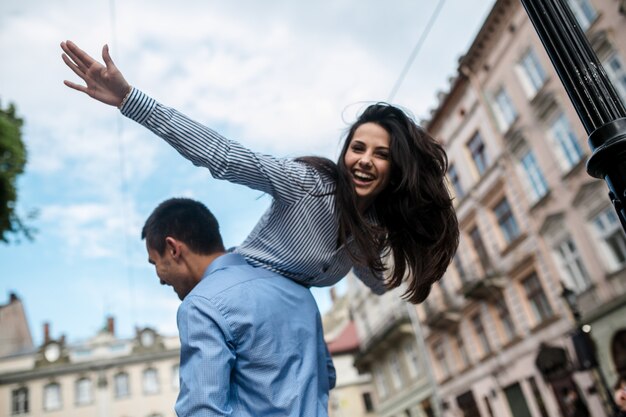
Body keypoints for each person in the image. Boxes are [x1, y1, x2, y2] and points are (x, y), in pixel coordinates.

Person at [61, 40, 459, 304]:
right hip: (237, 289)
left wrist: (418, 246)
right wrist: (131, 100)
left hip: (284, 310)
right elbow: (221, 154)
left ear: (395, 168)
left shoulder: (368, 229)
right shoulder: (307, 185)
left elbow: (378, 282)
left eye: (381, 154)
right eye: (358, 147)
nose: (365, 159)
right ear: (345, 154)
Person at [142, 197, 335, 416]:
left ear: (173, 249)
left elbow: (202, 411)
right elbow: (327, 375)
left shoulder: (201, 305)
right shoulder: (295, 287)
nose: (159, 278)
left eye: (155, 263)